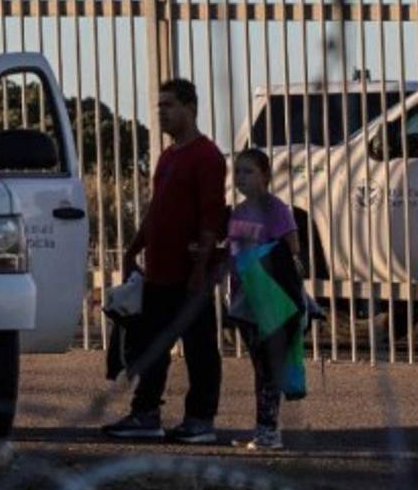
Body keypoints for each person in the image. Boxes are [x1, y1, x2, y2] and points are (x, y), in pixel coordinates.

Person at [102, 78, 227, 444]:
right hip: (158, 271)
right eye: (159, 106)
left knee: (200, 346)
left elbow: (211, 218)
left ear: (190, 107)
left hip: (188, 272)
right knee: (151, 346)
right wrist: (133, 248)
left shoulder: (207, 157)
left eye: (168, 105)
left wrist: (201, 269)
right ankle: (146, 414)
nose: (161, 113)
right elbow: (158, 210)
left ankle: (201, 418)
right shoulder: (168, 157)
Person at [226, 148, 304, 450]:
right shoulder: (238, 212)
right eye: (238, 172)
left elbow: (291, 247)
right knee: (259, 365)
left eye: (249, 172)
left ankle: (270, 431)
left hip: (271, 298)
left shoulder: (276, 210)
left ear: (265, 175)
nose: (242, 178)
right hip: (245, 298)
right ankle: (262, 427)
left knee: (270, 365)